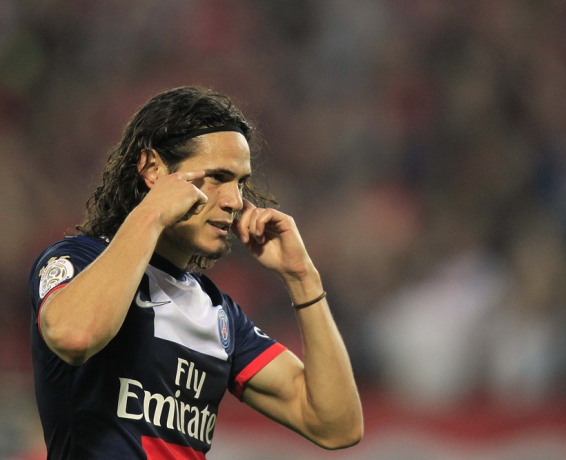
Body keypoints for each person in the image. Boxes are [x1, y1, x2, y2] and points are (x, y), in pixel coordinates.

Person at [28, 86, 363, 459]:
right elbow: (74, 337)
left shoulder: (219, 313)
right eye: (218, 177)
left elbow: (335, 426)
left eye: (240, 182)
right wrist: (151, 213)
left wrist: (303, 278)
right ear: (153, 169)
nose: (235, 201)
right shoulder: (78, 260)